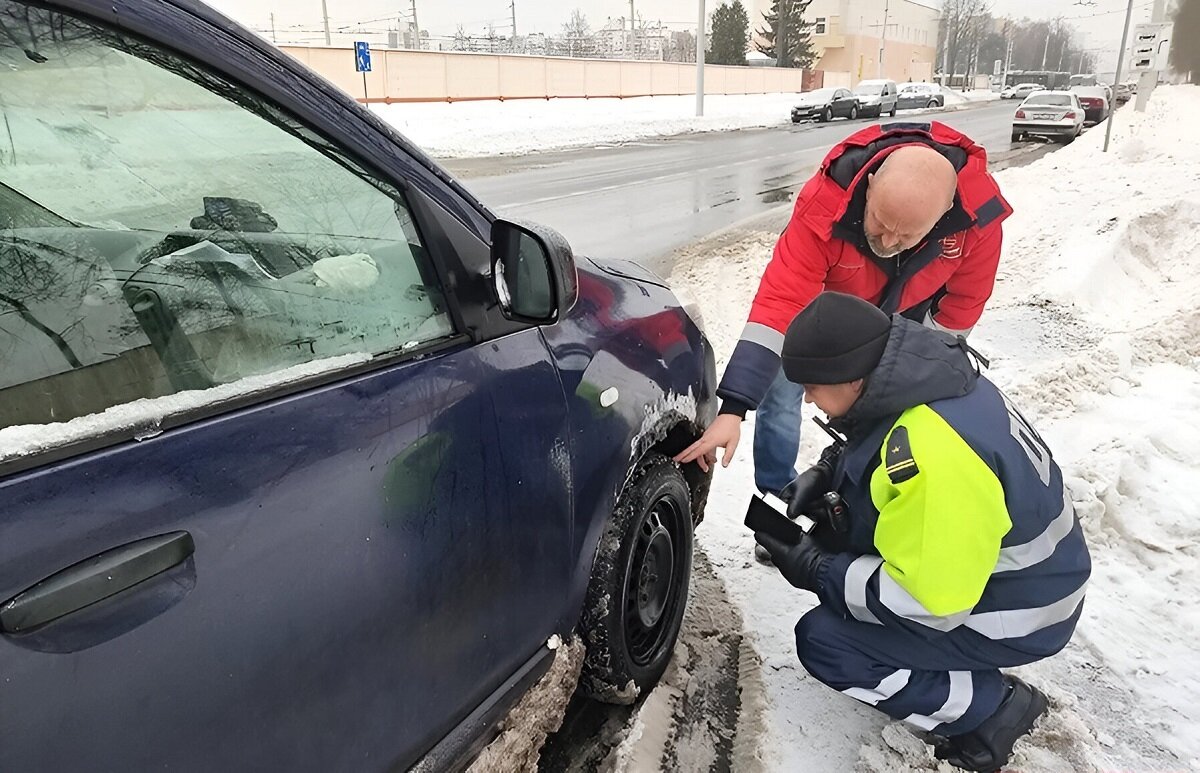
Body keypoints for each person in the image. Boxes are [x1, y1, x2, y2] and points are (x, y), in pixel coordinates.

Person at [752, 292, 1091, 772]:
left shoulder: (931, 456)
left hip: (1026, 610)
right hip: (1031, 577)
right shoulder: (933, 377)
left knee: (828, 642)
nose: (807, 397)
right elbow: (876, 432)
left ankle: (994, 708)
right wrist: (828, 471)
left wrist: (818, 570)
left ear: (852, 377)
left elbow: (930, 606)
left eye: (812, 385)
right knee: (846, 570)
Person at [675, 121, 1012, 515]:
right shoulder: (823, 205)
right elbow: (780, 300)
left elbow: (962, 306)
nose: (887, 243)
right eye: (881, 224)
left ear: (942, 218)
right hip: (818, 311)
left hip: (902, 315)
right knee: (782, 396)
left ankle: (865, 504)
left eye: (905, 237)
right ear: (869, 186)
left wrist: (920, 373)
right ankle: (779, 496)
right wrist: (733, 409)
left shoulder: (978, 220)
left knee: (892, 406)